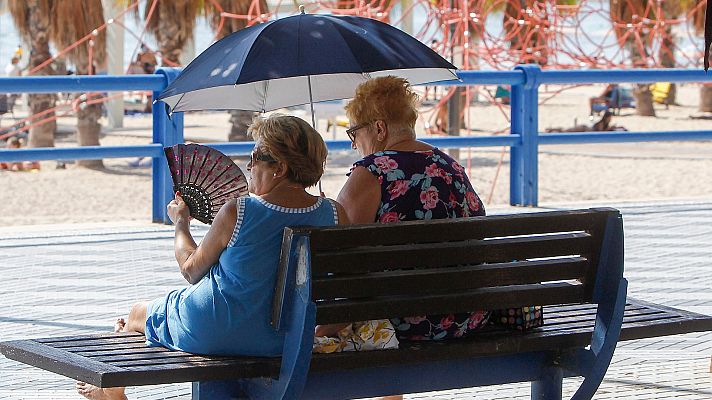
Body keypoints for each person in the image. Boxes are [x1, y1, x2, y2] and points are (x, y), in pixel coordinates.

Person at [76, 114, 349, 400]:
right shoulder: (333, 213)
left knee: (136, 314)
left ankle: (113, 389)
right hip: (285, 340)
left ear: (279, 167)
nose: (249, 165)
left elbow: (191, 270)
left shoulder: (239, 211)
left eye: (255, 156)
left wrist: (181, 222)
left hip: (212, 329)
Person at [316, 76, 490, 344]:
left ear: (379, 128)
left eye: (354, 133)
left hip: (400, 321)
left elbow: (344, 262)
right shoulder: (451, 167)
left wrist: (328, 213)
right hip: (466, 316)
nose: (353, 144)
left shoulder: (371, 171)